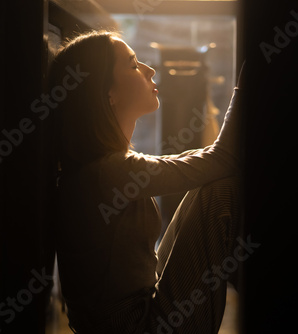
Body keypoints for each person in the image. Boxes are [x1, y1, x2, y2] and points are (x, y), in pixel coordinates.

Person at [49, 30, 245, 334]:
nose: (149, 70)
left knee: (204, 186)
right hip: (140, 328)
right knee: (219, 193)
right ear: (107, 94)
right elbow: (224, 159)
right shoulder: (109, 172)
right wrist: (247, 84)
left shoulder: (99, 169)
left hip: (140, 315)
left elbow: (207, 163)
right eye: (133, 64)